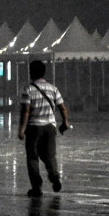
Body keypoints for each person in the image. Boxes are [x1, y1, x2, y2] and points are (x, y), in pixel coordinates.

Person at [17, 59, 70, 196]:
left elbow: (26, 111)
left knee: (32, 157)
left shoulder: (28, 89)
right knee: (50, 155)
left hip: (34, 127)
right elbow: (62, 108)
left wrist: (21, 129)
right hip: (50, 127)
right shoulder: (53, 89)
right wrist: (65, 123)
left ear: (31, 73)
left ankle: (37, 188)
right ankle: (55, 177)